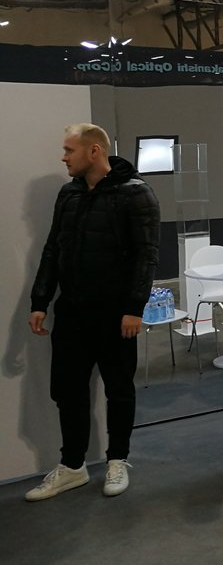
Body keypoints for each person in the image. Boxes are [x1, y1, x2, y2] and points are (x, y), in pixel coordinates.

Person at [26, 123, 160, 501]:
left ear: (94, 151)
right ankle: (73, 466)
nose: (64, 157)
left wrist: (134, 308)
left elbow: (146, 256)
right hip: (72, 312)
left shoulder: (136, 193)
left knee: (119, 390)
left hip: (116, 315)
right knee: (67, 390)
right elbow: (53, 249)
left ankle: (117, 460)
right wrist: (40, 301)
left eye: (69, 150)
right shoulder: (68, 193)